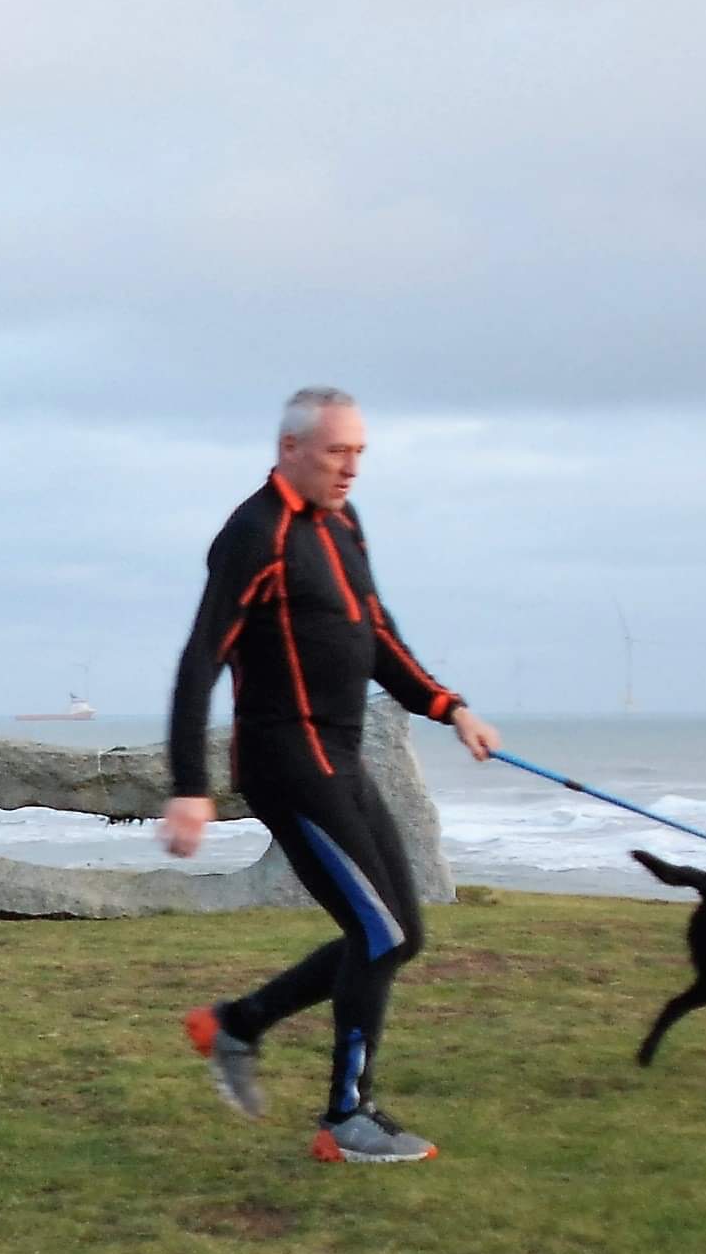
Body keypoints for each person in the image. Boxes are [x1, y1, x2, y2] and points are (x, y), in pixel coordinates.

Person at [159, 387, 500, 1163]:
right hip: (287, 764)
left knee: (399, 935)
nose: (351, 468)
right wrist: (189, 785)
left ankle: (238, 1024)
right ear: (290, 449)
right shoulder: (255, 533)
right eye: (336, 452)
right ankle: (346, 1118)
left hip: (341, 759)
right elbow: (199, 658)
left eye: (359, 453)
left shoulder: (343, 522)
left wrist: (451, 708)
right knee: (376, 933)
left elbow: (376, 634)